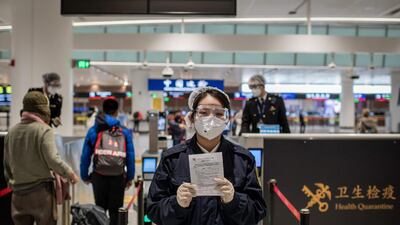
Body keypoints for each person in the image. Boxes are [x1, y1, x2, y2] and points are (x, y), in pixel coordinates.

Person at [147, 87, 267, 225]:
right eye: (203, 113)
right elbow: (153, 209)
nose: (211, 119)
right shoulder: (172, 159)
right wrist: (177, 203)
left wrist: (234, 200)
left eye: (219, 113)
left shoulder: (243, 159)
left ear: (226, 119)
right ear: (192, 117)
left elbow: (258, 211)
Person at [3, 91, 79, 225]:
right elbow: (52, 159)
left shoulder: (12, 132)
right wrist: (70, 173)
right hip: (40, 194)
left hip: (18, 195)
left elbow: (7, 164)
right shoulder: (44, 130)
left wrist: (13, 184)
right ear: (42, 110)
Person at [80, 98, 135, 225]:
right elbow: (130, 157)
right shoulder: (124, 132)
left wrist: (85, 175)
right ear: (116, 112)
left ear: (103, 110)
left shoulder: (94, 130)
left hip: (99, 176)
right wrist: (129, 177)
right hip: (118, 176)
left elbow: (85, 156)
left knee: (99, 210)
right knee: (116, 212)